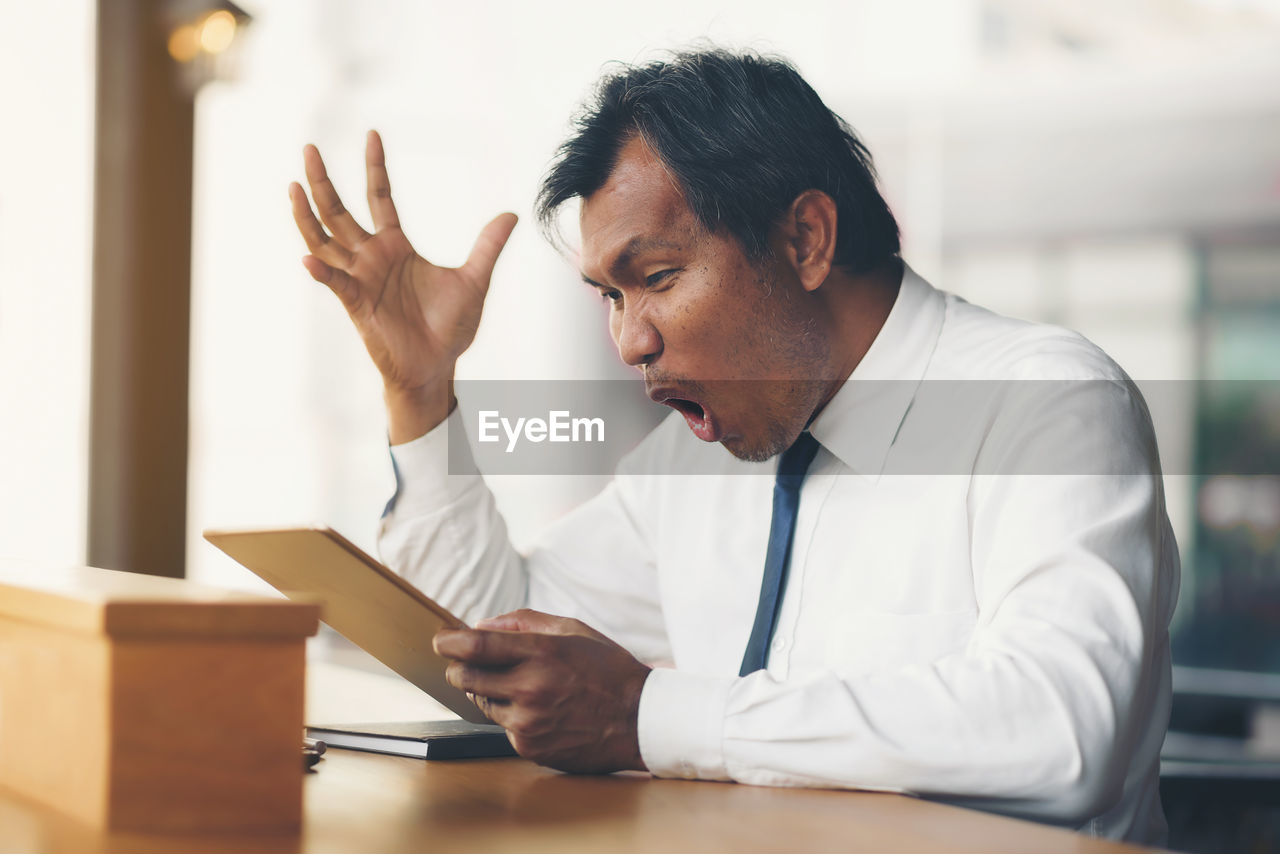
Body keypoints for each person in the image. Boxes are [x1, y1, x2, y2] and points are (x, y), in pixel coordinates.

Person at [288, 48, 1179, 844]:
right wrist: (420, 391)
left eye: (658, 278)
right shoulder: (699, 458)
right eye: (609, 294)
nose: (631, 341)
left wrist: (647, 713)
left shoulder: (1042, 402)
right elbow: (485, 646)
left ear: (804, 239)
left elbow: (1061, 727)